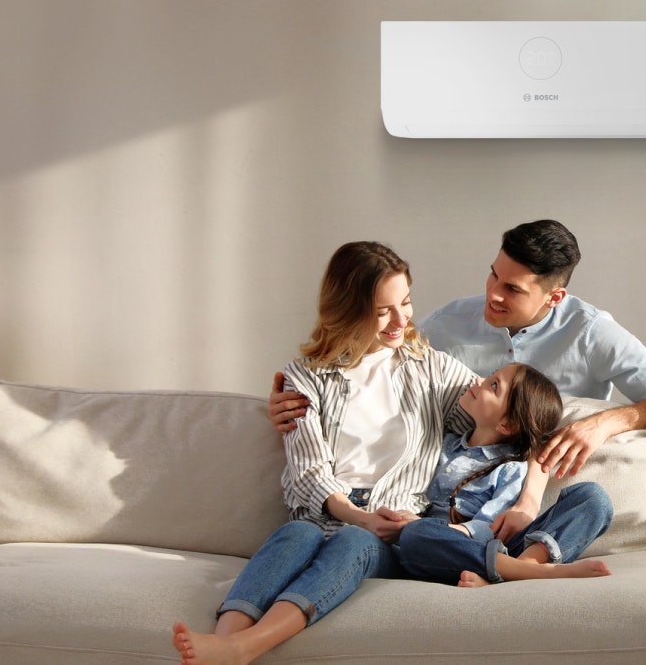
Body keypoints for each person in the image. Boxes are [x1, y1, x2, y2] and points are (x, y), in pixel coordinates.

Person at [171, 241, 482, 665]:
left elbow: (505, 414)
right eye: (381, 310)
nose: (400, 320)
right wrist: (357, 515)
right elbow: (307, 469)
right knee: (297, 533)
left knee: (354, 541)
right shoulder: (306, 376)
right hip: (325, 513)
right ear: (348, 309)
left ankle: (244, 648)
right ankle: (223, 643)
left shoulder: (433, 368)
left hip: (393, 526)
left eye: (405, 303)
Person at [268, 220, 646, 538]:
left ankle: (523, 564)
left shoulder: (592, 332)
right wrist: (302, 403)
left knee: (590, 501)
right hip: (450, 506)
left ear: (554, 298)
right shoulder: (447, 325)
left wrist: (603, 422)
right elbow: (374, 361)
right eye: (493, 276)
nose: (493, 295)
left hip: (536, 485)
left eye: (513, 289)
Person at [397, 362, 613, 587]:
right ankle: (517, 573)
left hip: (494, 546)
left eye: (493, 386)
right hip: (447, 552)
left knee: (594, 498)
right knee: (415, 535)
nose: (478, 381)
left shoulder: (510, 467)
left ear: (507, 424)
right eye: (490, 376)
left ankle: (523, 567)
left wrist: (448, 529)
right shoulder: (443, 444)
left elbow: (489, 528)